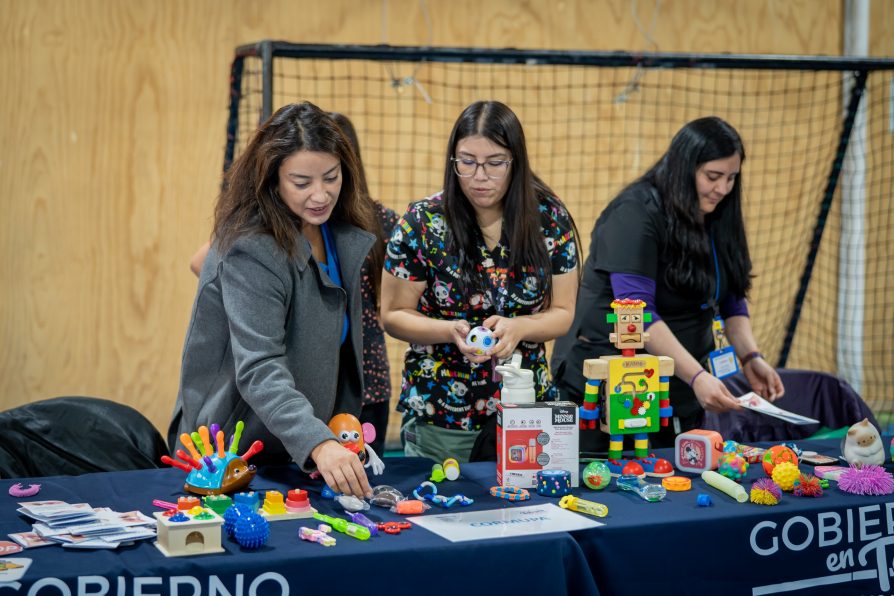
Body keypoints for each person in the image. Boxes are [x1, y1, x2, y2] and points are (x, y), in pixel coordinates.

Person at [169, 101, 383, 498]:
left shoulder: (340, 234)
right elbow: (261, 367)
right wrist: (318, 443)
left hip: (300, 447)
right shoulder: (251, 248)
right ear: (272, 181)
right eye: (301, 183)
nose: (320, 195)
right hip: (237, 450)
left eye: (331, 177)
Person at [551, 116, 784, 452]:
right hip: (613, 389)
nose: (722, 189)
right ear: (683, 168)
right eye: (713, 177)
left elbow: (732, 298)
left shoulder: (718, 212)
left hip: (678, 388)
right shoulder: (635, 213)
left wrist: (750, 357)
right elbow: (640, 314)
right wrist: (697, 376)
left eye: (732, 178)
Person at [381, 100, 580, 463]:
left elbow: (564, 312)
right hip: (441, 419)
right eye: (467, 162)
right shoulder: (422, 222)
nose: (479, 176)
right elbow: (394, 314)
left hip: (525, 411)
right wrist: (450, 332)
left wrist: (519, 327)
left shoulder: (549, 219)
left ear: (515, 162)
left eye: (495, 163)